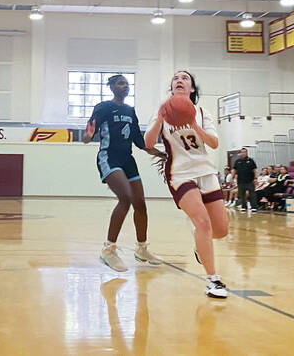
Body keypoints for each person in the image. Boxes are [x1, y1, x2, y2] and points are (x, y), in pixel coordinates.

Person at [144, 70, 229, 298]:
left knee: (220, 230)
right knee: (203, 222)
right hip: (180, 173)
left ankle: (199, 244)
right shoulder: (162, 111)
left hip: (205, 171)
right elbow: (148, 142)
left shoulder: (202, 112)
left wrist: (193, 122)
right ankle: (213, 280)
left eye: (185, 78)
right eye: (175, 78)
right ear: (172, 87)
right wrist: (161, 119)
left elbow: (213, 143)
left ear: (192, 89)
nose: (179, 80)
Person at [82, 74, 163, 272]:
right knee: (125, 197)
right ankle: (108, 250)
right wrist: (88, 136)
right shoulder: (103, 108)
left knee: (140, 204)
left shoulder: (130, 110)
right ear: (111, 87)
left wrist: (162, 154)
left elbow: (139, 141)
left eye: (127, 83)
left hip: (128, 159)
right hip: (109, 157)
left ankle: (142, 249)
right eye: (120, 83)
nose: (125, 86)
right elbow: (87, 137)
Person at [232, 148, 257, 212]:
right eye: (242, 152)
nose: (243, 153)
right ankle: (244, 206)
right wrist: (232, 177)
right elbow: (234, 170)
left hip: (250, 181)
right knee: (242, 195)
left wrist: (255, 178)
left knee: (252, 194)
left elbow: (254, 170)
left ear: (246, 153)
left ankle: (253, 207)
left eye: (244, 152)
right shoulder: (238, 161)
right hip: (240, 181)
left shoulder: (251, 160)